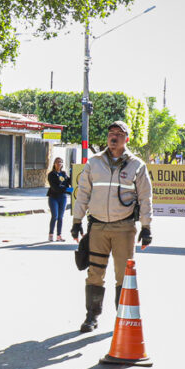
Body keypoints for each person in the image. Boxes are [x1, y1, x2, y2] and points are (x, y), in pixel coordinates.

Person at [70, 121, 153, 332]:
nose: (113, 137)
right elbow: (83, 194)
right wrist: (77, 221)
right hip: (98, 228)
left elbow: (145, 198)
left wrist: (146, 227)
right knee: (94, 273)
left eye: (119, 133)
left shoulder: (137, 165)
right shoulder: (94, 163)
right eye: (110, 133)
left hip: (124, 228)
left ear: (127, 138)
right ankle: (91, 316)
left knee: (123, 276)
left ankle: (122, 318)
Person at [46, 157, 71, 242]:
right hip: (53, 197)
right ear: (54, 163)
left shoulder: (64, 174)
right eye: (57, 162)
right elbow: (55, 187)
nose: (59, 163)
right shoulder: (51, 174)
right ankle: (51, 234)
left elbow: (69, 182)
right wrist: (68, 190)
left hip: (63, 198)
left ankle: (59, 236)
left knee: (60, 217)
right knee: (55, 216)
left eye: (60, 162)